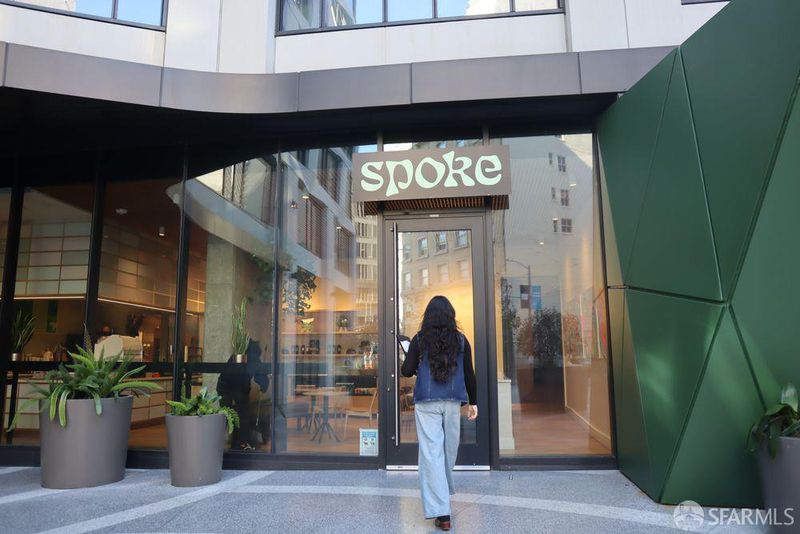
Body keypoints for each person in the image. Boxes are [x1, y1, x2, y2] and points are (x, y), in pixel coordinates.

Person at [401, 296, 478, 531]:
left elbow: (406, 371)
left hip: (426, 402)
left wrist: (409, 355)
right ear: (450, 316)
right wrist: (473, 403)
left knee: (433, 453)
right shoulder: (461, 340)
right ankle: (443, 511)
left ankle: (441, 504)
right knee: (447, 451)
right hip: (453, 402)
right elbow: (469, 374)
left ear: (428, 316)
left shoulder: (419, 339)